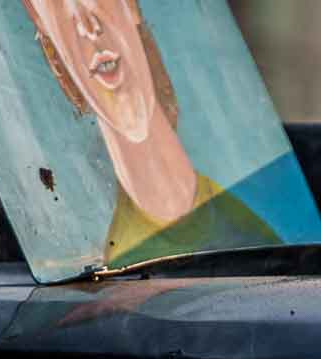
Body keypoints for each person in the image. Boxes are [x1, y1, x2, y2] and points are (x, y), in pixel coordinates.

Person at [19, 0, 281, 264]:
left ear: (130, 4)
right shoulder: (104, 269)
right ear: (38, 19)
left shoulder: (256, 229)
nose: (88, 26)